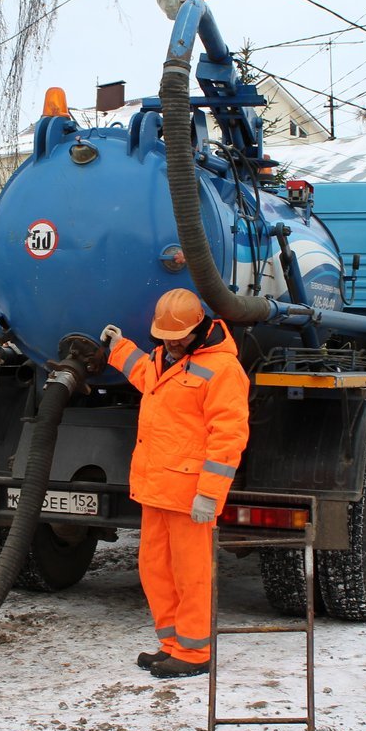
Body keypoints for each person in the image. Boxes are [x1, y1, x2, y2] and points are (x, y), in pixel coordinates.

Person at [100, 288, 249, 679]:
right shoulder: (163, 358)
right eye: (165, 337)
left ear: (198, 328)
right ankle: (172, 645)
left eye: (178, 338)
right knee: (155, 570)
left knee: (191, 574)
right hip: (156, 489)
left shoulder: (223, 370)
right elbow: (143, 374)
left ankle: (195, 652)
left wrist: (209, 495)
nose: (172, 344)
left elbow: (229, 436)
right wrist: (118, 348)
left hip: (189, 496)